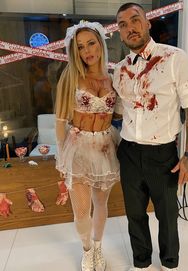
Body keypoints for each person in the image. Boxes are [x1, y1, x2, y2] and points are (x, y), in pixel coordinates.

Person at [113, 3, 188, 271]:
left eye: (135, 20)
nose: (130, 28)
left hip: (162, 153)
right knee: (135, 215)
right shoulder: (118, 70)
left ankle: (169, 264)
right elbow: (117, 111)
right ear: (119, 32)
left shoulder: (175, 58)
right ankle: (142, 264)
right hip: (128, 152)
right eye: (123, 25)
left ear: (148, 23)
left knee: (167, 215)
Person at [55, 20, 120, 271]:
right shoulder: (70, 76)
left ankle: (99, 246)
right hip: (78, 149)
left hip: (105, 147)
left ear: (101, 44)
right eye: (80, 47)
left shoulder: (112, 77)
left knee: (101, 203)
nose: (87, 51)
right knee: (82, 211)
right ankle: (86, 250)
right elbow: (60, 121)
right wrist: (62, 157)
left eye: (91, 43)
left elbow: (120, 112)